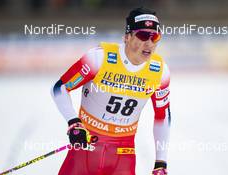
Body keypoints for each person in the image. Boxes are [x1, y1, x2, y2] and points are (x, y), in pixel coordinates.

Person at [51, 7, 171, 175]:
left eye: (155, 36)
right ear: (127, 37)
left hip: (123, 155)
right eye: (143, 36)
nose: (149, 43)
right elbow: (60, 88)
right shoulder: (99, 59)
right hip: (86, 147)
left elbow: (162, 116)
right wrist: (73, 122)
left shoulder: (160, 71)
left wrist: (161, 162)